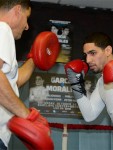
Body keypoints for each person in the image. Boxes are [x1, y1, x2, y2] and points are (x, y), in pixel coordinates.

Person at [0, 0, 52, 149]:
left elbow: (12, 82)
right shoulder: (3, 29)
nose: (27, 26)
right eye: (26, 18)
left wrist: (35, 56)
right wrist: (28, 116)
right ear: (17, 11)